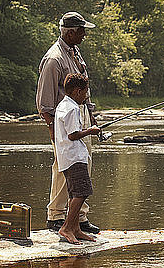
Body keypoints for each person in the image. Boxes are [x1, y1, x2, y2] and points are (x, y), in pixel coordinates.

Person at [36, 11, 100, 234]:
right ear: (71, 32)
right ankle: (56, 216)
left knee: (84, 165)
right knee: (63, 168)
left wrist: (91, 116)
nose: (84, 35)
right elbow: (44, 101)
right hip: (63, 120)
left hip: (80, 115)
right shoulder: (54, 59)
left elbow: (84, 89)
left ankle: (79, 218)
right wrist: (53, 129)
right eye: (81, 31)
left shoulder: (74, 52)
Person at [54, 73, 101, 244]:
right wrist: (91, 130)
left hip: (66, 157)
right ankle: (66, 228)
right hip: (74, 157)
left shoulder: (63, 105)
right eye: (84, 92)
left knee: (74, 193)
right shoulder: (72, 108)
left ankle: (76, 229)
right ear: (76, 91)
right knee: (82, 192)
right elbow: (73, 135)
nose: (86, 96)